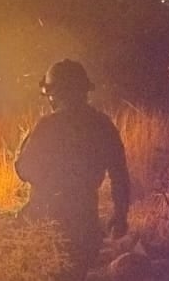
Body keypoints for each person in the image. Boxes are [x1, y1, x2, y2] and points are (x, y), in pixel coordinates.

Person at [15, 60, 130, 268]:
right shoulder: (103, 125)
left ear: (55, 94)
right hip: (86, 226)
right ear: (84, 92)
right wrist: (120, 216)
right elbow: (120, 175)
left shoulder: (47, 126)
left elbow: (23, 169)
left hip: (46, 223)